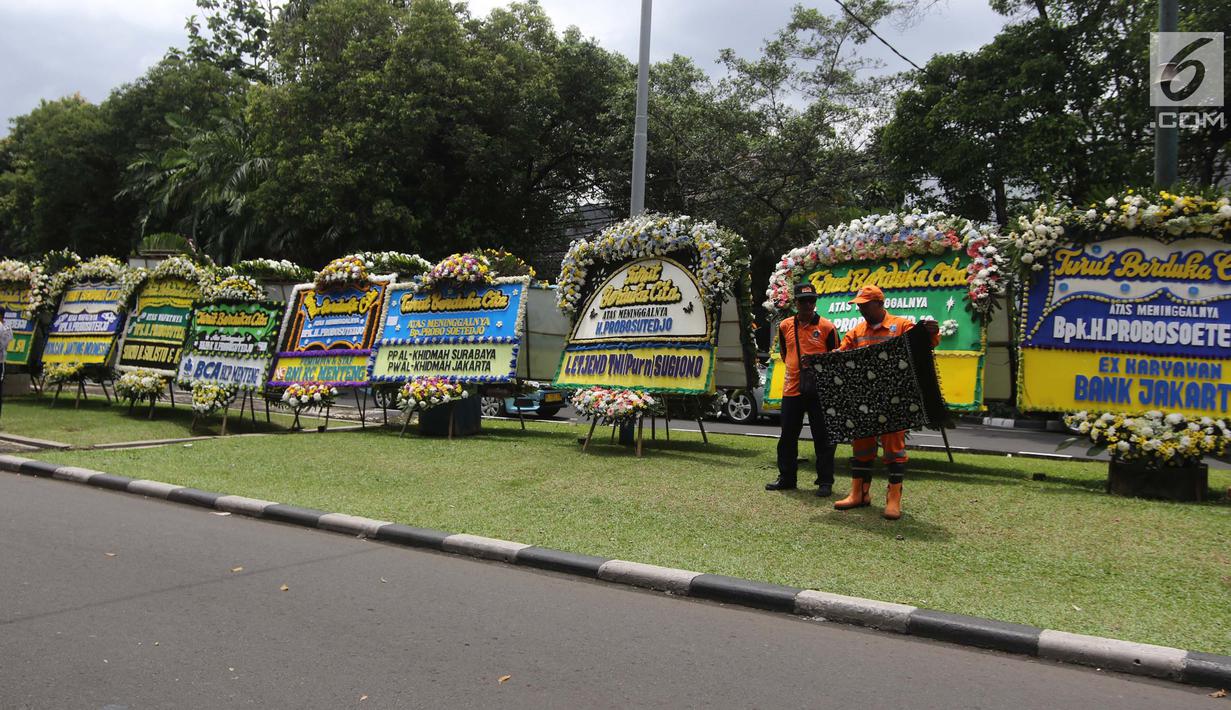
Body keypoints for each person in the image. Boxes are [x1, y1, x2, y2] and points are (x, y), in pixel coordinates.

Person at [832, 285, 939, 519]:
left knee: (894, 450)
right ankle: (859, 494)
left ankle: (893, 499)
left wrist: (931, 332)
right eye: (858, 305)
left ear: (879, 304)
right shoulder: (857, 332)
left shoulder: (901, 326)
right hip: (864, 400)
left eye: (864, 304)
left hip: (894, 400)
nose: (860, 309)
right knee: (861, 447)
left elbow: (925, 344)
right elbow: (842, 354)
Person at [765, 283, 839, 496]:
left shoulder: (827, 327)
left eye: (811, 300)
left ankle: (825, 481)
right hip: (792, 390)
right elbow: (786, 353)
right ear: (795, 303)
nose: (807, 305)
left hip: (819, 391)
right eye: (803, 301)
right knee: (787, 436)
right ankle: (787, 478)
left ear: (815, 302)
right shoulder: (785, 326)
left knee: (822, 437)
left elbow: (835, 357)